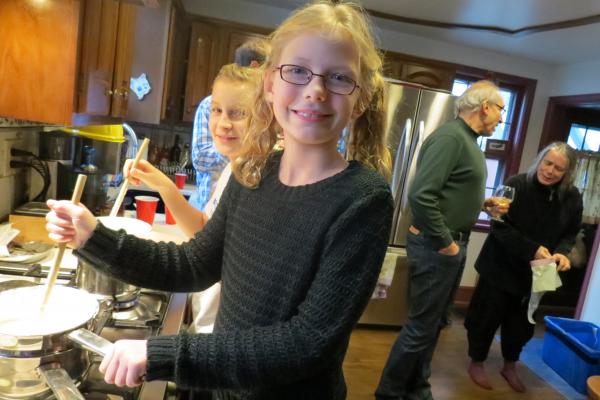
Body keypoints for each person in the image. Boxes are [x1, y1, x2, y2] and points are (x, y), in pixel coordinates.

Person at [46, 2, 393, 398]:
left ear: (360, 99)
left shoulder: (363, 200)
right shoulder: (252, 172)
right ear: (270, 83)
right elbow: (193, 265)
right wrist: (95, 237)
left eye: (338, 77)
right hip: (226, 389)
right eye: (297, 70)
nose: (315, 90)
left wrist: (163, 353)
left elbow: (308, 343)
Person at [375, 80, 507, 400]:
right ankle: (390, 392)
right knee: (421, 326)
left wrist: (482, 204)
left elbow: (449, 191)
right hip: (438, 246)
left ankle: (417, 388)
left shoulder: (469, 141)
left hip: (447, 246)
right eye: (501, 110)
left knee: (433, 325)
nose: (501, 118)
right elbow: (422, 195)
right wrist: (447, 243)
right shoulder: (451, 138)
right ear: (485, 107)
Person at [124, 64, 261, 334]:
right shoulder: (233, 171)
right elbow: (203, 230)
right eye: (217, 110)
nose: (223, 123)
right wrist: (162, 184)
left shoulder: (255, 182)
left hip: (226, 333)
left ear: (265, 118)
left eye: (238, 113)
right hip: (208, 323)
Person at [465, 142, 583, 393]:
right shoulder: (517, 184)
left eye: (559, 168)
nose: (550, 171)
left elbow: (571, 232)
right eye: (547, 163)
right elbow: (499, 225)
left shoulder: (573, 197)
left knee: (523, 324)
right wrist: (532, 249)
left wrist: (562, 253)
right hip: (500, 266)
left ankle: (510, 365)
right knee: (485, 317)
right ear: (539, 160)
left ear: (568, 173)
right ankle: (477, 361)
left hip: (541, 271)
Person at [188, 38, 269, 211]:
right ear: (255, 67)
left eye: (238, 113)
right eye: (269, 70)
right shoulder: (210, 104)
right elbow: (200, 158)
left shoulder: (268, 108)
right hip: (209, 204)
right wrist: (237, 150)